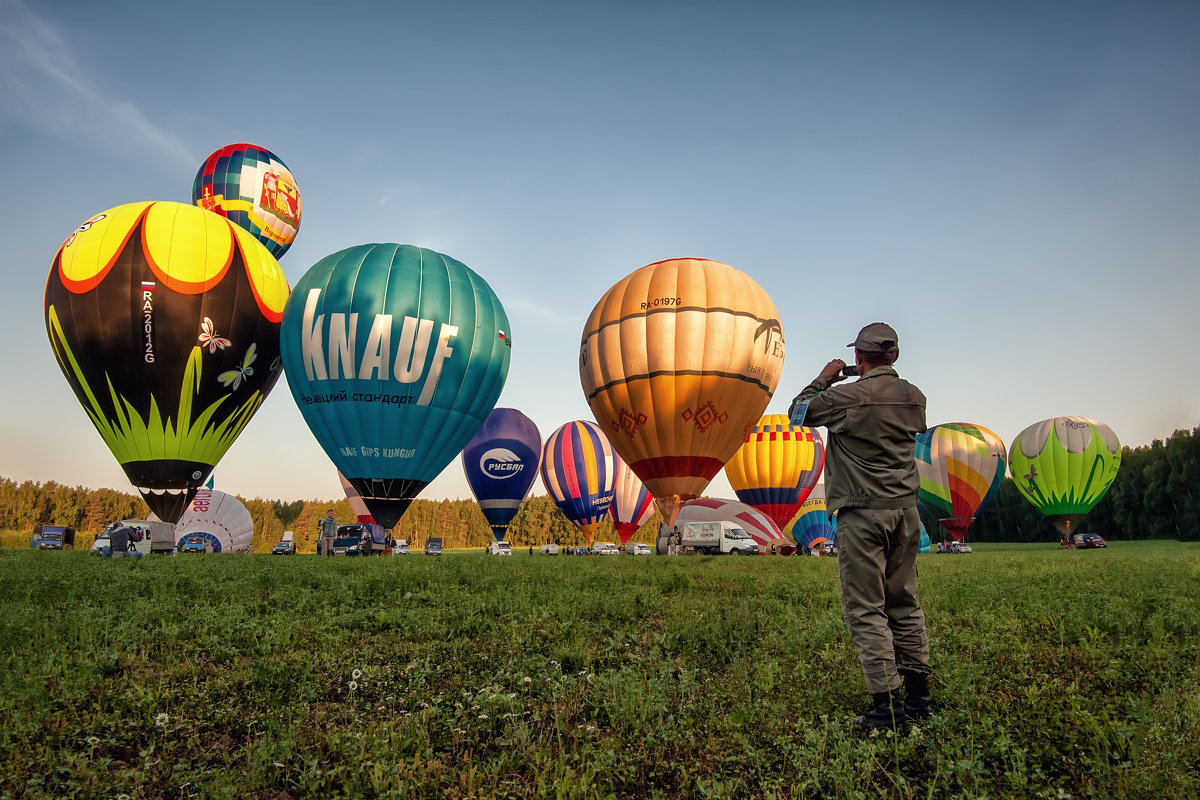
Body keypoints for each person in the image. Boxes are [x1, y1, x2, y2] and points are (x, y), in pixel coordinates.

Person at [788, 322, 930, 730]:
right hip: (906, 512)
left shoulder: (845, 396)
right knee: (904, 602)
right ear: (895, 356)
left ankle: (887, 709)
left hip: (862, 513)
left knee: (866, 609)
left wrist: (824, 378)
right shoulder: (915, 398)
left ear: (858, 358)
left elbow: (798, 414)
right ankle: (919, 697)